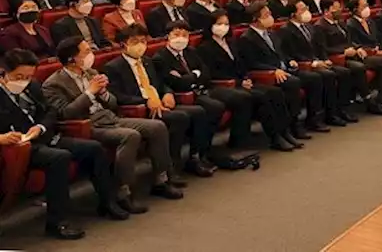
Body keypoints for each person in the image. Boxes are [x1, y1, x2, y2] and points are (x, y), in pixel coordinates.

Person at [0, 48, 130, 239]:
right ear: (3, 73)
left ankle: (108, 202)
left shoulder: (32, 86)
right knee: (59, 158)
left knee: (93, 148)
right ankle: (57, 222)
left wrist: (40, 128)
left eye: (28, 76)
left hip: (43, 136)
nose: (23, 81)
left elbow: (50, 112)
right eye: (18, 76)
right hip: (18, 146)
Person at [43, 36, 183, 209]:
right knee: (130, 136)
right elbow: (65, 113)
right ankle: (124, 192)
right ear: (72, 58)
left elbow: (113, 104)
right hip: (88, 125)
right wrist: (89, 93)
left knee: (157, 127)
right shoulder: (53, 83)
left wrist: (103, 94)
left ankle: (161, 180)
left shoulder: (92, 73)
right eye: (86, 51)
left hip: (110, 118)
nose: (91, 55)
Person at [104, 25, 219, 178]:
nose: (140, 45)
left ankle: (194, 158)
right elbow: (118, 95)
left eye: (143, 41)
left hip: (160, 102)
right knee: (180, 118)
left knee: (198, 112)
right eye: (135, 41)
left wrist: (168, 93)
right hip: (141, 108)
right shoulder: (113, 67)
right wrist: (145, 101)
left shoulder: (147, 61)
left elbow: (160, 83)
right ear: (123, 44)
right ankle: (171, 167)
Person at [196, 11, 301, 152]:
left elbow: (242, 65)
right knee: (260, 96)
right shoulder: (204, 47)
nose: (223, 27)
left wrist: (245, 78)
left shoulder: (231, 43)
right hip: (224, 85)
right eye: (219, 24)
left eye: (226, 24)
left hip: (241, 81)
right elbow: (212, 73)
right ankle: (274, 137)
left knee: (274, 92)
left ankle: (284, 132)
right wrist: (240, 83)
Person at [150, 22, 253, 167]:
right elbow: (175, 83)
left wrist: (190, 76)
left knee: (233, 100)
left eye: (184, 35)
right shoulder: (160, 57)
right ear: (168, 37)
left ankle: (206, 150)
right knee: (213, 107)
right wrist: (194, 75)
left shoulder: (191, 51)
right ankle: (196, 155)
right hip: (184, 95)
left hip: (203, 89)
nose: (181, 38)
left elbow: (205, 74)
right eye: (176, 35)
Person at [235, 2, 325, 137]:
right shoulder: (247, 38)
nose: (270, 17)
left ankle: (313, 118)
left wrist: (289, 60)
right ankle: (293, 125)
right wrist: (273, 70)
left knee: (314, 78)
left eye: (270, 14)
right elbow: (252, 63)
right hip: (268, 74)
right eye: (266, 15)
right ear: (256, 19)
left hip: (285, 69)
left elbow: (282, 53)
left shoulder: (271, 33)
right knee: (293, 83)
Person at [311, 0, 382, 116]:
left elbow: (350, 41)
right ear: (326, 11)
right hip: (339, 58)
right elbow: (323, 48)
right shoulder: (320, 26)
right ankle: (368, 101)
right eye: (336, 8)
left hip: (354, 54)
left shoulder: (340, 23)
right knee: (358, 68)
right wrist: (344, 51)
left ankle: (381, 97)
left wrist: (357, 48)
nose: (340, 10)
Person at [278, 0, 355, 126]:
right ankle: (314, 117)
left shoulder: (309, 27)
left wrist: (323, 59)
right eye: (302, 10)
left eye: (307, 8)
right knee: (320, 77)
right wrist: (312, 63)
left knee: (343, 72)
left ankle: (336, 111)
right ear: (293, 14)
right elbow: (291, 54)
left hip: (317, 61)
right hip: (302, 66)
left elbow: (318, 47)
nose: (306, 11)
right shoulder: (286, 30)